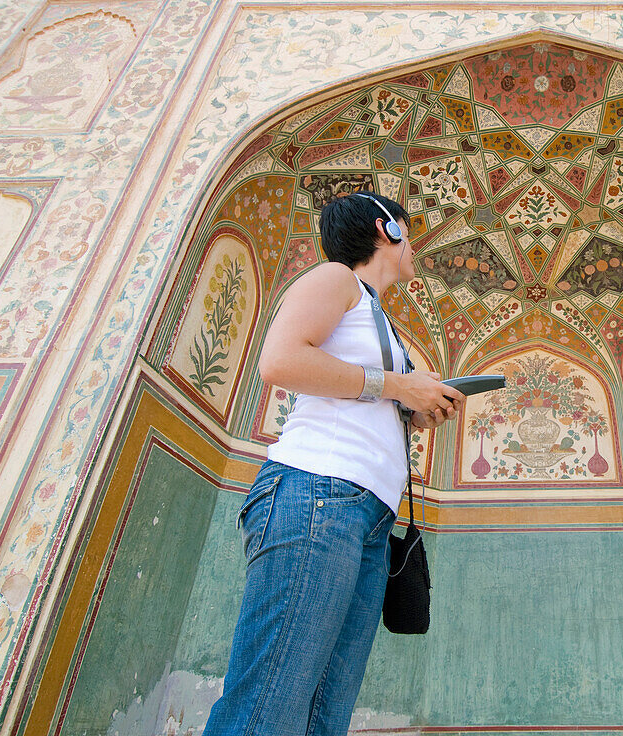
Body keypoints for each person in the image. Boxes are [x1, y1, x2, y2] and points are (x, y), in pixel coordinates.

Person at [203, 191, 464, 736]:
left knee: (325, 715)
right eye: (407, 232)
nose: (411, 246)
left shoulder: (380, 320)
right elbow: (279, 361)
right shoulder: (335, 279)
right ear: (385, 228)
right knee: (268, 702)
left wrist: (418, 410)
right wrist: (396, 385)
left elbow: (366, 398)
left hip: (365, 516)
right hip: (316, 494)